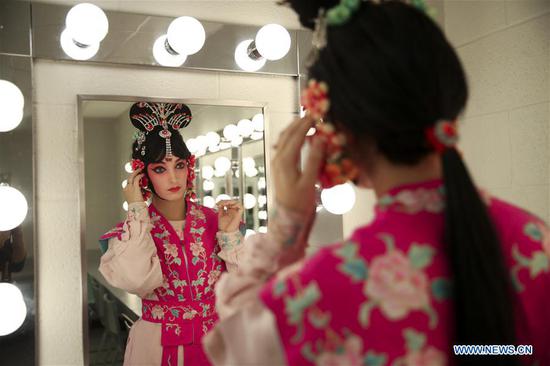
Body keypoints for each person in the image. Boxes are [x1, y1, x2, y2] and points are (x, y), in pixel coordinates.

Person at [202, 1, 550, 365]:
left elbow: (236, 348)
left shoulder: (321, 288)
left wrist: (287, 222)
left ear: (337, 131)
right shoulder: (533, 240)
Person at [99, 102, 245, 366]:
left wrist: (229, 234)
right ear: (142, 175)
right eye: (159, 169)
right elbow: (137, 281)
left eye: (179, 165)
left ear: (190, 167)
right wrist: (136, 210)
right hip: (156, 344)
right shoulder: (133, 233)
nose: (173, 177)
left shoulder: (214, 220)